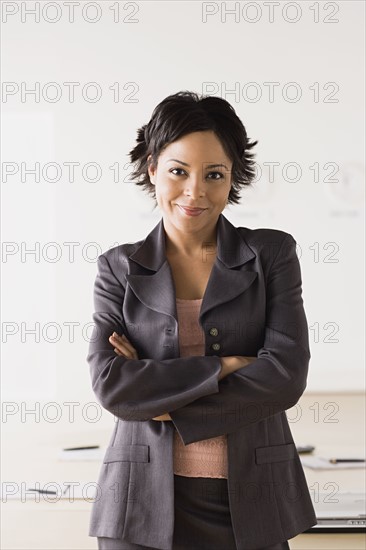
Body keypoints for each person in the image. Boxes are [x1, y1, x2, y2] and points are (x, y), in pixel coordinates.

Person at [87, 91, 317, 550]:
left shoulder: (270, 254)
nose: (195, 191)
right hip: (139, 505)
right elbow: (113, 386)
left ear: (232, 180)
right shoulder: (119, 267)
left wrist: (163, 403)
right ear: (152, 168)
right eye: (178, 171)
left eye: (215, 174)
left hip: (252, 500)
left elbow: (286, 375)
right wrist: (225, 366)